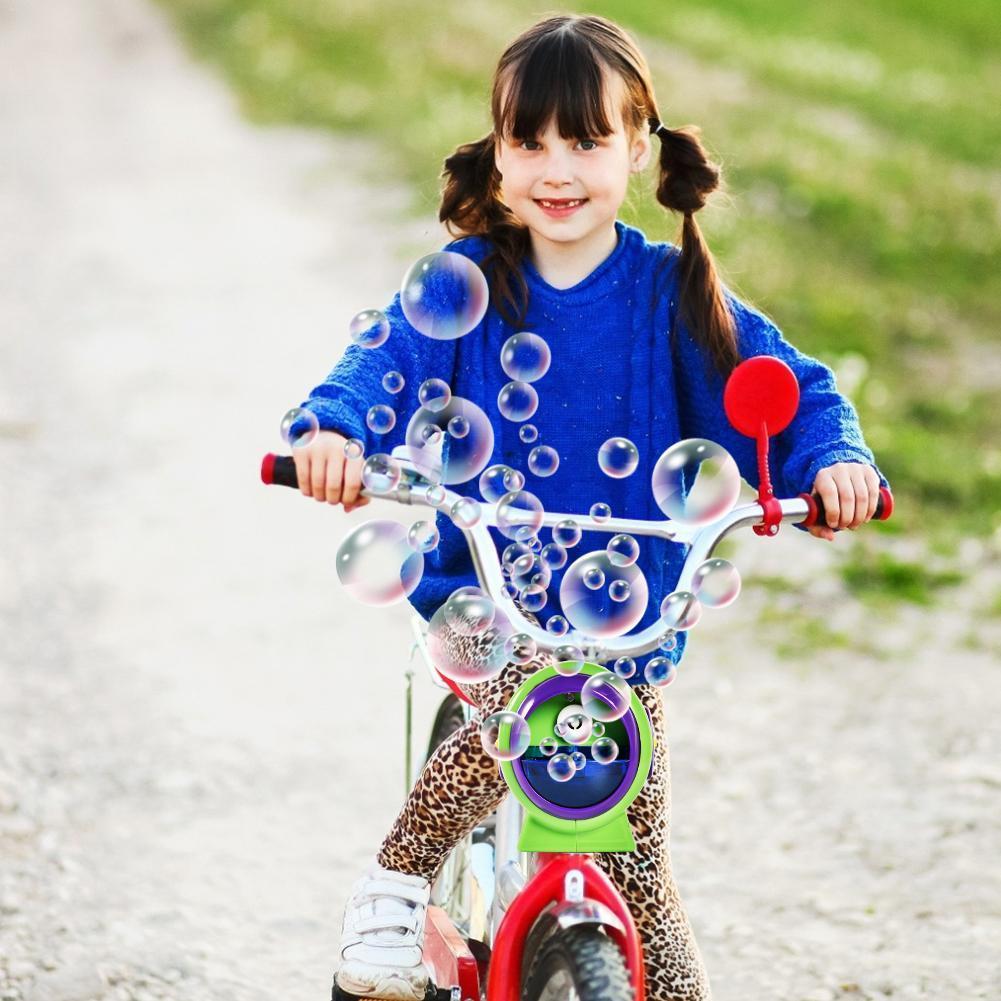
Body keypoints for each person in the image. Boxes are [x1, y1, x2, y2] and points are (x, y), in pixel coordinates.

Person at [289, 13, 888, 1001]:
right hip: (493, 601)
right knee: (525, 700)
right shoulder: (469, 283)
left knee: (643, 867)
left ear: (638, 145)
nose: (555, 168)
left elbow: (790, 387)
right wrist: (333, 432)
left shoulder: (671, 292)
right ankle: (392, 883)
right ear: (496, 150)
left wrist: (830, 461)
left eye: (586, 139)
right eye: (529, 141)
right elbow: (380, 363)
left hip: (625, 620)